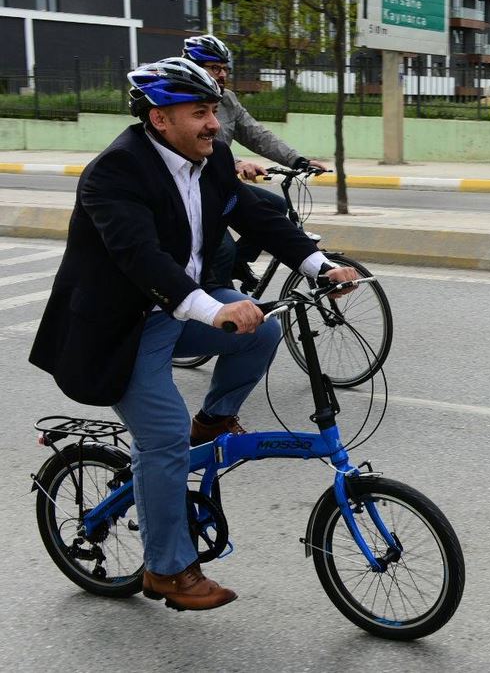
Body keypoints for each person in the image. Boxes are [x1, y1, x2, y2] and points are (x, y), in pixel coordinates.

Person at [29, 57, 360, 611]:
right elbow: (142, 259)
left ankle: (210, 423)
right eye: (201, 113)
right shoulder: (115, 173)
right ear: (160, 119)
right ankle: (167, 570)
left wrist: (318, 266)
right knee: (161, 439)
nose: (214, 124)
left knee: (260, 331)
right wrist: (212, 311)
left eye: (213, 111)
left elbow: (257, 217)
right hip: (120, 330)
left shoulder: (211, 158)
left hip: (173, 314)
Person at [181, 35, 329, 291]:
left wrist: (298, 159)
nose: (222, 74)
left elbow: (256, 134)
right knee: (222, 249)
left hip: (221, 184)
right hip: (194, 188)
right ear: (193, 67)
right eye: (215, 68)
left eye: (225, 69)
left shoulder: (227, 99)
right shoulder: (181, 102)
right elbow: (190, 143)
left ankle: (239, 263)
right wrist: (236, 163)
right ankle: (216, 302)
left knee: (276, 206)